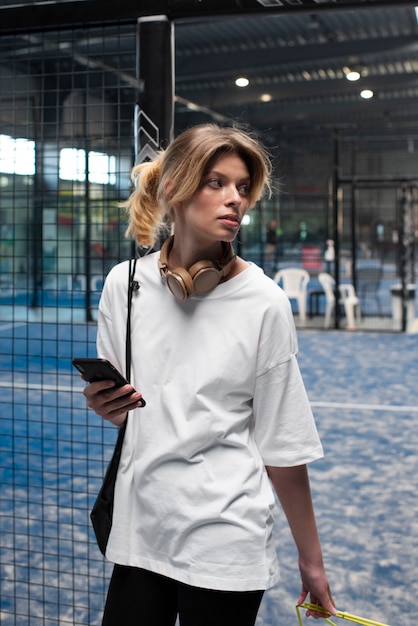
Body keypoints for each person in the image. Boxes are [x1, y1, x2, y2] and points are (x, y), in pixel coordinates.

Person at [83, 123, 336, 626]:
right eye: (216, 182)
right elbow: (130, 407)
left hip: (226, 542)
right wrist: (106, 405)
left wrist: (312, 559)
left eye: (243, 188)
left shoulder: (263, 302)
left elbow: (282, 444)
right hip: (141, 532)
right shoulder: (123, 285)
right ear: (174, 188)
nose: (235, 199)